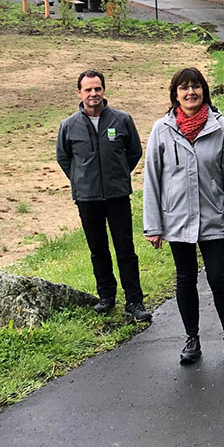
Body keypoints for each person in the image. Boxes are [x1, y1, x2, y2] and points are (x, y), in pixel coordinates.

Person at [143, 68, 224, 365]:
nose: (191, 93)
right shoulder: (162, 129)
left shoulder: (220, 126)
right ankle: (192, 339)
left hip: (212, 217)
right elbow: (152, 179)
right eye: (184, 88)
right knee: (185, 279)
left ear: (204, 91)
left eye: (196, 87)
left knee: (217, 278)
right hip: (176, 220)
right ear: (175, 94)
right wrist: (153, 226)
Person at [56, 70, 151, 321]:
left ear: (104, 91)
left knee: (125, 249)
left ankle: (135, 301)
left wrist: (117, 176)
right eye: (88, 89)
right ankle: (106, 296)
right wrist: (81, 180)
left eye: (97, 88)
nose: (93, 94)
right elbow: (64, 158)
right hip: (87, 199)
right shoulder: (68, 126)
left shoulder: (122, 120)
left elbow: (134, 152)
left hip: (117, 196)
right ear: (79, 93)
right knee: (98, 249)